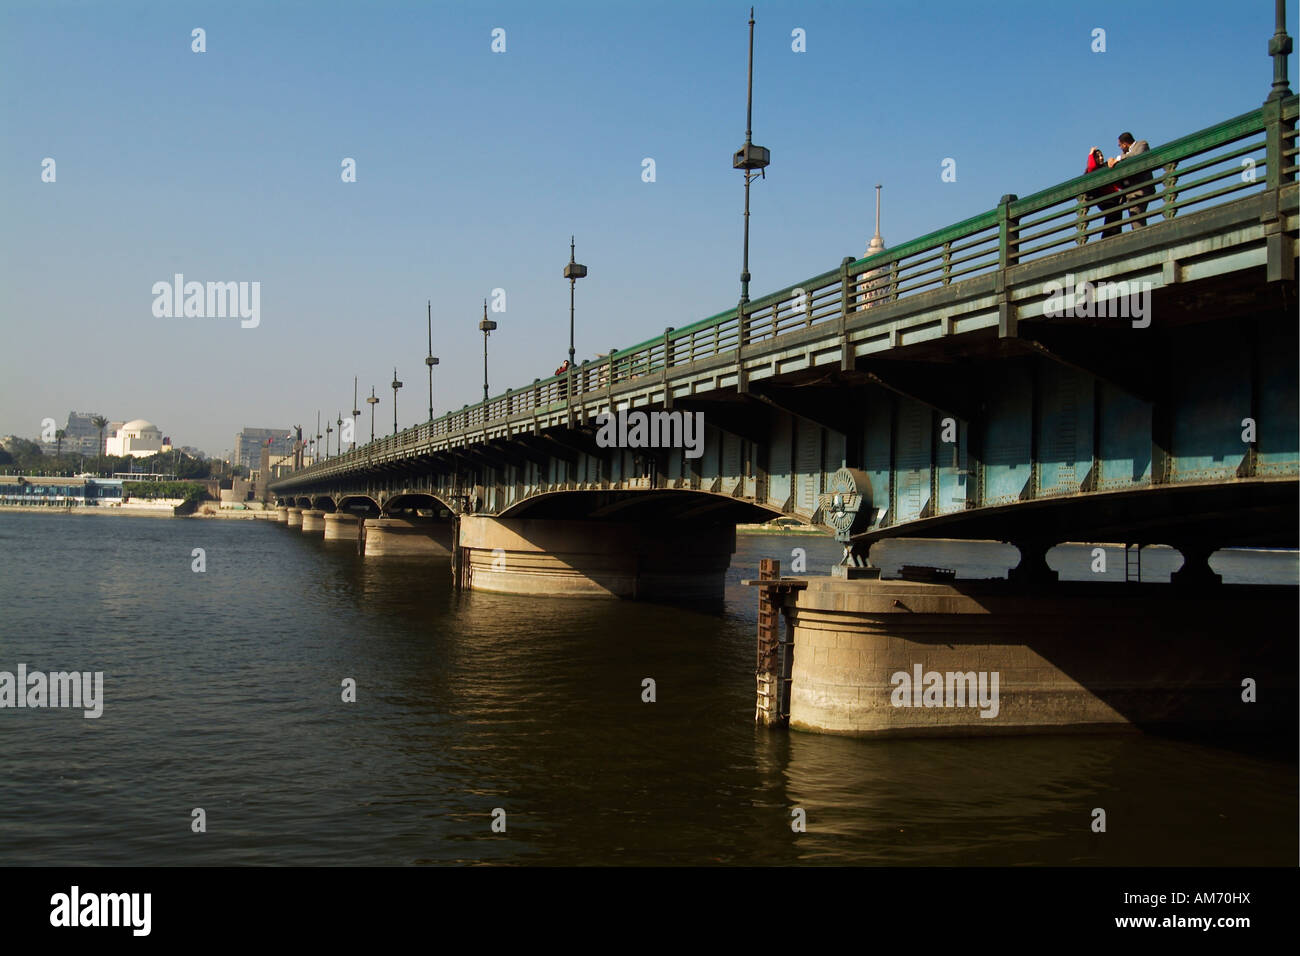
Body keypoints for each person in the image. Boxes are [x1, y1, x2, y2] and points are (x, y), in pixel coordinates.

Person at [1108, 132, 1155, 228]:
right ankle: (1142, 237)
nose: (1120, 147)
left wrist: (1118, 158)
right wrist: (1111, 160)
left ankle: (1142, 239)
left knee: (1136, 218)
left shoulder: (1142, 144)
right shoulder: (1125, 153)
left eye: (1119, 145)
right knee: (1135, 219)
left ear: (1124, 144)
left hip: (1142, 190)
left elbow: (1135, 155)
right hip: (1131, 192)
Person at [1085, 146, 1122, 240]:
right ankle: (1107, 237)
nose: (1101, 158)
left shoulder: (1105, 166)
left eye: (1101, 155)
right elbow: (1091, 167)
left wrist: (1112, 159)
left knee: (1115, 215)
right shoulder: (1093, 171)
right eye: (1098, 156)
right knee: (1112, 214)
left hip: (1113, 197)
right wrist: (1090, 154)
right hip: (1104, 199)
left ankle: (1113, 236)